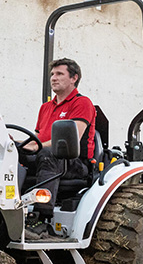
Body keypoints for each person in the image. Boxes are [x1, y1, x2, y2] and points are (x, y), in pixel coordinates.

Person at [22, 58, 96, 239]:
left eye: (60, 74)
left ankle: (41, 219)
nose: (53, 78)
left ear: (74, 78)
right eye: (52, 74)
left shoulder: (82, 103)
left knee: (49, 154)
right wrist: (18, 146)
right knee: (11, 154)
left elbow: (71, 139)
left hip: (74, 160)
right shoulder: (45, 107)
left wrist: (35, 146)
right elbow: (39, 137)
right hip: (47, 156)